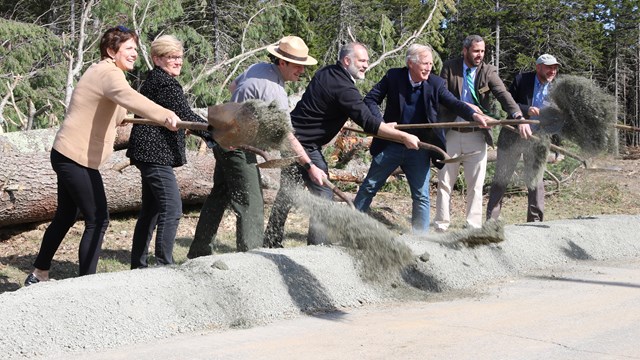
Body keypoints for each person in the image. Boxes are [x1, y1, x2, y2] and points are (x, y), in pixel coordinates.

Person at [24, 26, 180, 286]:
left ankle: (38, 273)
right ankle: (88, 284)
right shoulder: (109, 73)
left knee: (65, 215)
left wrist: (126, 118)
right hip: (75, 158)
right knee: (98, 218)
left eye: (134, 49)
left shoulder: (107, 73)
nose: (134, 55)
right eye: (129, 49)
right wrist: (164, 114)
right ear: (111, 51)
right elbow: (129, 97)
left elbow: (118, 108)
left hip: (69, 154)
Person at [263, 42, 421, 247]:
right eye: (362, 61)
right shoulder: (343, 87)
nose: (366, 65)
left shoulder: (329, 73)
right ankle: (317, 247)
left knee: (287, 192)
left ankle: (271, 241)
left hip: (291, 140)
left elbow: (362, 114)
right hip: (304, 144)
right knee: (323, 193)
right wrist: (402, 137)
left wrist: (381, 125)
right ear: (347, 61)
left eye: (367, 61)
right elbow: (366, 119)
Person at [187, 36, 317, 258]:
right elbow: (287, 135)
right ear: (282, 62)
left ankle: (199, 252)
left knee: (219, 196)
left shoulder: (259, 68)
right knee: (252, 204)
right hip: (237, 146)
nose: (301, 71)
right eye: (297, 66)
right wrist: (309, 165)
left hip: (224, 135)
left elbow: (233, 86)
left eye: (303, 66)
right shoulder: (273, 91)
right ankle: (252, 259)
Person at [353, 44, 493, 234]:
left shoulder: (435, 83)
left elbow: (453, 102)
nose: (429, 67)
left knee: (421, 196)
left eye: (430, 63)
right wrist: (381, 125)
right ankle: (351, 226)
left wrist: (473, 115)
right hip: (391, 144)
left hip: (419, 148)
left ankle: (421, 238)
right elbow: (370, 100)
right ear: (411, 63)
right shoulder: (394, 77)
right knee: (369, 186)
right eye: (425, 64)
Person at [127, 35, 211, 269]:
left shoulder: (157, 79)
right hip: (154, 155)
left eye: (179, 57)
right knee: (172, 209)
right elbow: (186, 116)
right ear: (156, 58)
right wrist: (215, 133)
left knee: (151, 211)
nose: (177, 61)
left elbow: (181, 115)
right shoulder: (164, 83)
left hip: (150, 154)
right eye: (171, 57)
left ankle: (139, 265)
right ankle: (164, 264)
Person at [433, 35, 523, 232]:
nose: (479, 55)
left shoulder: (488, 71)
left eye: (482, 51)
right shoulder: (449, 67)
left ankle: (472, 227)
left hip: (477, 135)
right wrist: (466, 106)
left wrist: (517, 115)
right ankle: (441, 226)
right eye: (475, 51)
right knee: (445, 182)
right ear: (465, 50)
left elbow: (503, 94)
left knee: (475, 185)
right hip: (451, 134)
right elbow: (442, 95)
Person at [486, 54, 561, 222]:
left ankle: (535, 223)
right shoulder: (522, 79)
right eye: (549, 67)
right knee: (501, 178)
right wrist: (527, 110)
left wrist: (556, 139)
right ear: (538, 67)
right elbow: (508, 102)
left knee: (536, 181)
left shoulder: (557, 88)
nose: (553, 71)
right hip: (513, 135)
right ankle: (492, 221)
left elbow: (560, 118)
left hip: (538, 139)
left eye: (555, 68)